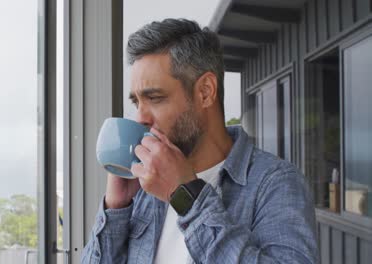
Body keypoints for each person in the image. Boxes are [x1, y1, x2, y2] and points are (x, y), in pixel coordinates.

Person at [81, 18, 318, 263]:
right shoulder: (144, 189)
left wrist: (185, 195)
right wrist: (116, 207)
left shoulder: (275, 183)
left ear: (205, 91)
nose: (140, 118)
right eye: (136, 102)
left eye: (155, 98)